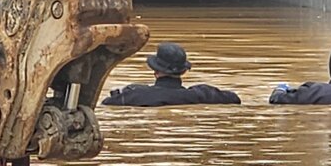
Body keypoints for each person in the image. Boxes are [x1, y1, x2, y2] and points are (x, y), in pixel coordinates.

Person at [101, 42, 240, 106]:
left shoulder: (133, 95)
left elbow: (106, 103)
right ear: (184, 71)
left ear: (155, 71)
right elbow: (234, 98)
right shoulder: (201, 94)